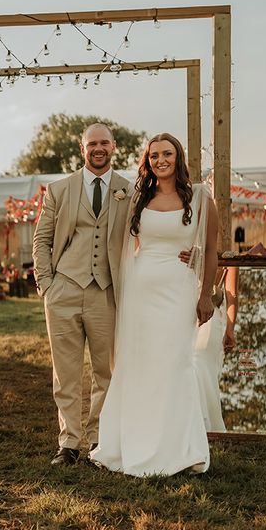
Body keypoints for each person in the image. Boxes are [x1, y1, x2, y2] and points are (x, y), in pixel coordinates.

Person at [90, 133, 218, 477]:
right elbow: (124, 246)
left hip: (178, 290)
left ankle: (181, 449)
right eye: (155, 155)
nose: (161, 160)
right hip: (140, 291)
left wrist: (205, 291)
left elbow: (210, 249)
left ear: (178, 157)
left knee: (175, 362)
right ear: (147, 161)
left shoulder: (202, 198)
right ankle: (134, 442)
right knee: (140, 363)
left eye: (168, 153)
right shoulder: (138, 198)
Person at [32, 123, 133, 465]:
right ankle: (69, 443)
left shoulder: (129, 191)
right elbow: (41, 240)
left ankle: (99, 441)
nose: (98, 148)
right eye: (92, 143)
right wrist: (47, 284)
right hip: (63, 290)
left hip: (106, 292)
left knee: (106, 371)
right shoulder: (60, 190)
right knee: (67, 372)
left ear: (114, 146)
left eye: (104, 142)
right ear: (82, 148)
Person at [193, 265, 238, 432]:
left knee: (200, 366)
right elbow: (232, 295)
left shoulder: (229, 258)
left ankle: (206, 426)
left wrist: (230, 329)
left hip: (210, 318)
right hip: (182, 312)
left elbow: (231, 295)